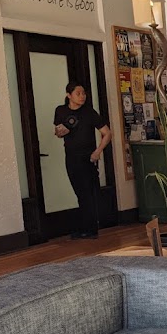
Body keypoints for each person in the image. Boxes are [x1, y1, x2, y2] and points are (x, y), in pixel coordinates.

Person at [54, 81, 110, 238]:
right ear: (69, 95)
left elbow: (107, 133)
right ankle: (84, 227)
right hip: (71, 157)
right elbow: (57, 132)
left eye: (84, 93)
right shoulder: (61, 110)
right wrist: (60, 131)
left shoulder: (89, 112)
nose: (82, 96)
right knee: (79, 192)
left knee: (88, 192)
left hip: (88, 157)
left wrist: (98, 151)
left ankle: (91, 229)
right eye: (78, 93)